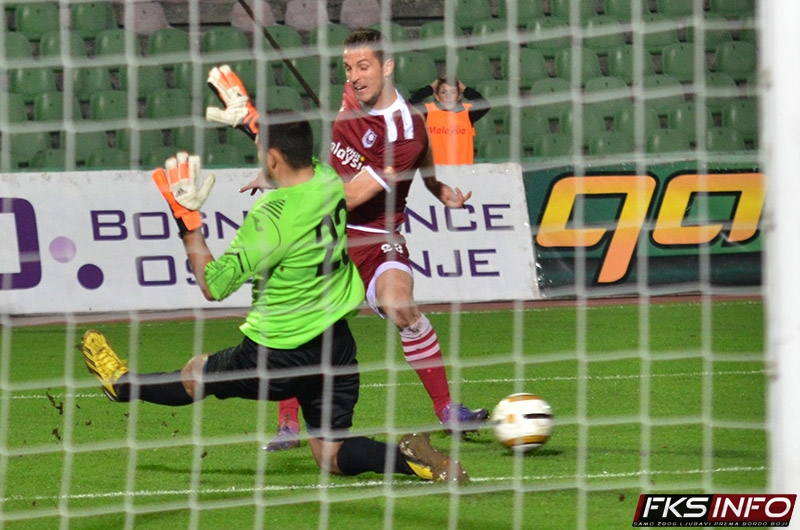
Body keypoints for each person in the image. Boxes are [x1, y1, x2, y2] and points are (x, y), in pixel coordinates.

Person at [80, 115, 468, 484]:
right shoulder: (328, 178)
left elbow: (213, 286)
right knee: (330, 454)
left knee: (198, 373)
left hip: (277, 354)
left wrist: (188, 223)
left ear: (272, 158)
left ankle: (121, 385)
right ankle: (412, 461)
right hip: (335, 347)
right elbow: (287, 149)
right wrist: (251, 124)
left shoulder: (271, 217)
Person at [206, 30, 490, 454]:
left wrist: (293, 182)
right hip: (326, 230)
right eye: (347, 68)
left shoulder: (404, 130)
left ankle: (447, 409)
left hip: (375, 235)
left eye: (363, 66)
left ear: (387, 66)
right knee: (298, 321)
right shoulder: (353, 96)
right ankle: (288, 424)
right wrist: (435, 185)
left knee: (401, 306)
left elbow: (355, 195)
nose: (354, 77)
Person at [408, 76, 491, 165]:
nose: (448, 96)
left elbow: (485, 105)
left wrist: (465, 89)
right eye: (443, 92)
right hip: (436, 169)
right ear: (437, 96)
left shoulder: (467, 113)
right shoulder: (428, 112)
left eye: (453, 92)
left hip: (463, 169)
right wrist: (430, 88)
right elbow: (410, 104)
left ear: (459, 96)